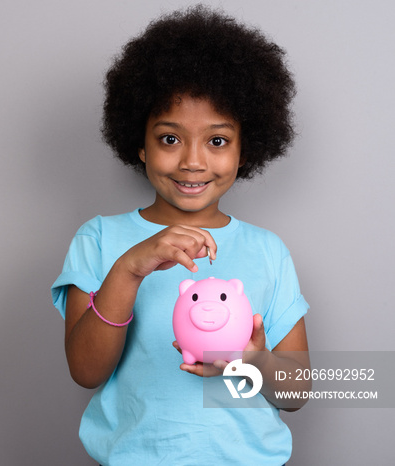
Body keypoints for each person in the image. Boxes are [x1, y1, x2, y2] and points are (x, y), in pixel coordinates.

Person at [51, 6, 311, 465]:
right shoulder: (100, 239)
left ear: (244, 150)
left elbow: (296, 391)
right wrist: (130, 268)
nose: (193, 161)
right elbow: (86, 372)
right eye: (170, 139)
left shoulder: (267, 251)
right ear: (139, 143)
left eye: (217, 140)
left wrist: (250, 362)